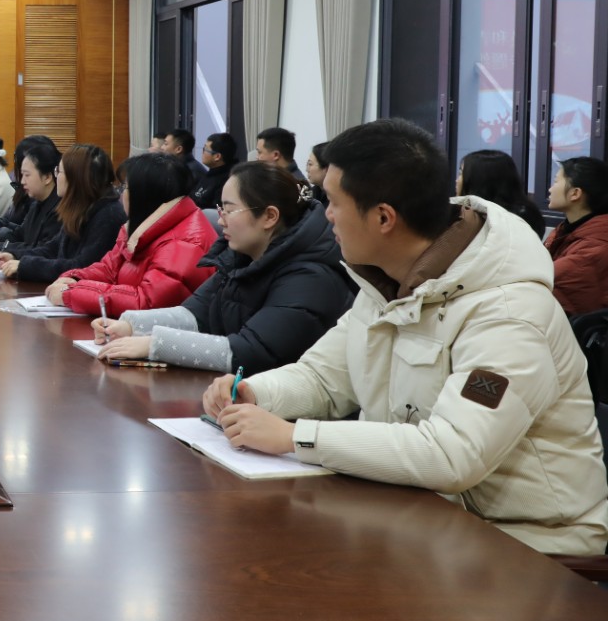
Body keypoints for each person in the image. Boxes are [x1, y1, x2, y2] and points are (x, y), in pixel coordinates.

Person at [205, 119, 608, 555]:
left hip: (530, 545)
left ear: (383, 217)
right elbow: (323, 378)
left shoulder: (509, 313)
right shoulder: (386, 282)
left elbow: (453, 454)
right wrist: (255, 393)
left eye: (334, 202)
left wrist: (296, 437)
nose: (326, 214)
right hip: (420, 517)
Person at [95, 162, 354, 374]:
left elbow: (250, 352)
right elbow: (195, 314)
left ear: (269, 217)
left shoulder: (310, 277)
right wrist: (130, 326)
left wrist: (154, 344)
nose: (220, 220)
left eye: (229, 210)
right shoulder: (241, 256)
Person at [45, 152, 217, 315]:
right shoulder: (141, 227)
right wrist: (74, 278)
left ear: (143, 194)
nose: (121, 195)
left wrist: (72, 293)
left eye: (125, 187)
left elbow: (146, 302)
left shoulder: (186, 242)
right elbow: (109, 270)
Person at [0, 143, 126, 281]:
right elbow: (53, 248)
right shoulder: (80, 207)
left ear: (75, 177)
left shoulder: (108, 215)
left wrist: (26, 266)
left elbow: (83, 267)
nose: (56, 177)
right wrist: (15, 256)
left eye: (59, 171)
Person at [0, 140, 63, 258]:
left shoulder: (59, 209)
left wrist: (3, 247)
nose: (22, 181)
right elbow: (19, 235)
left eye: (27, 175)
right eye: (22, 175)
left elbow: (43, 250)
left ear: (47, 177)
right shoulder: (37, 204)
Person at [545, 156, 608, 317]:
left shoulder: (596, 245)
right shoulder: (567, 229)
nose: (550, 189)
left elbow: (544, 278)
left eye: (556, 182)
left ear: (575, 193)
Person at [457, 149, 544, 238]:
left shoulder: (517, 220)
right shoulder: (471, 213)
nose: (456, 181)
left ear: (479, 180)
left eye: (460, 174)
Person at [190, 132, 238, 209]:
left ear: (217, 156)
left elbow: (215, 210)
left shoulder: (227, 180)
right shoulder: (211, 173)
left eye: (205, 149)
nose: (202, 152)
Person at [305, 140, 330, 206]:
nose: (307, 170)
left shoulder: (339, 197)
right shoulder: (312, 194)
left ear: (326, 168)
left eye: (310, 164)